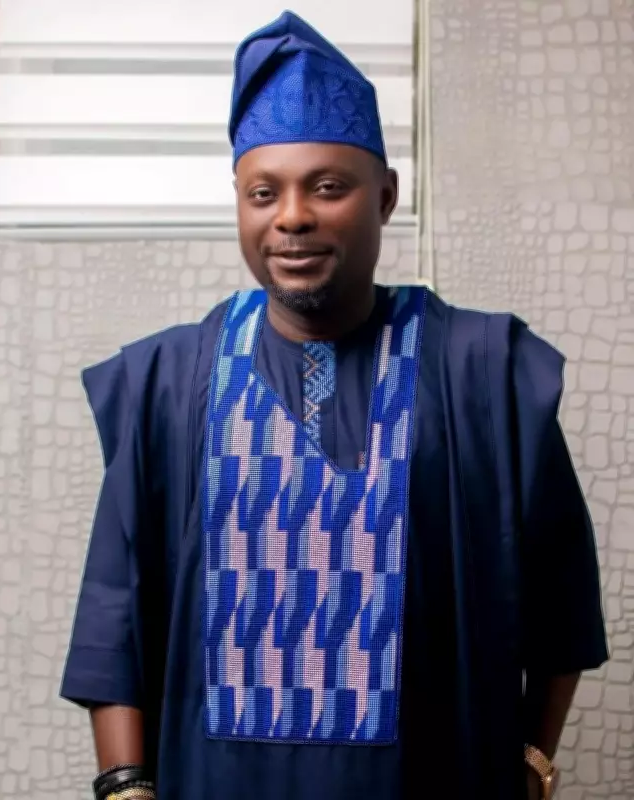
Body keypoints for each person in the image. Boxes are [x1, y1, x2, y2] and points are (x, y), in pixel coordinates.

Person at [60, 10, 608, 800]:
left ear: (383, 196)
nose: (291, 216)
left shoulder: (480, 370)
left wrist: (530, 763)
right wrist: (124, 784)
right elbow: (115, 603)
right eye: (262, 192)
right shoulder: (169, 378)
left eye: (326, 187)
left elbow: (561, 596)